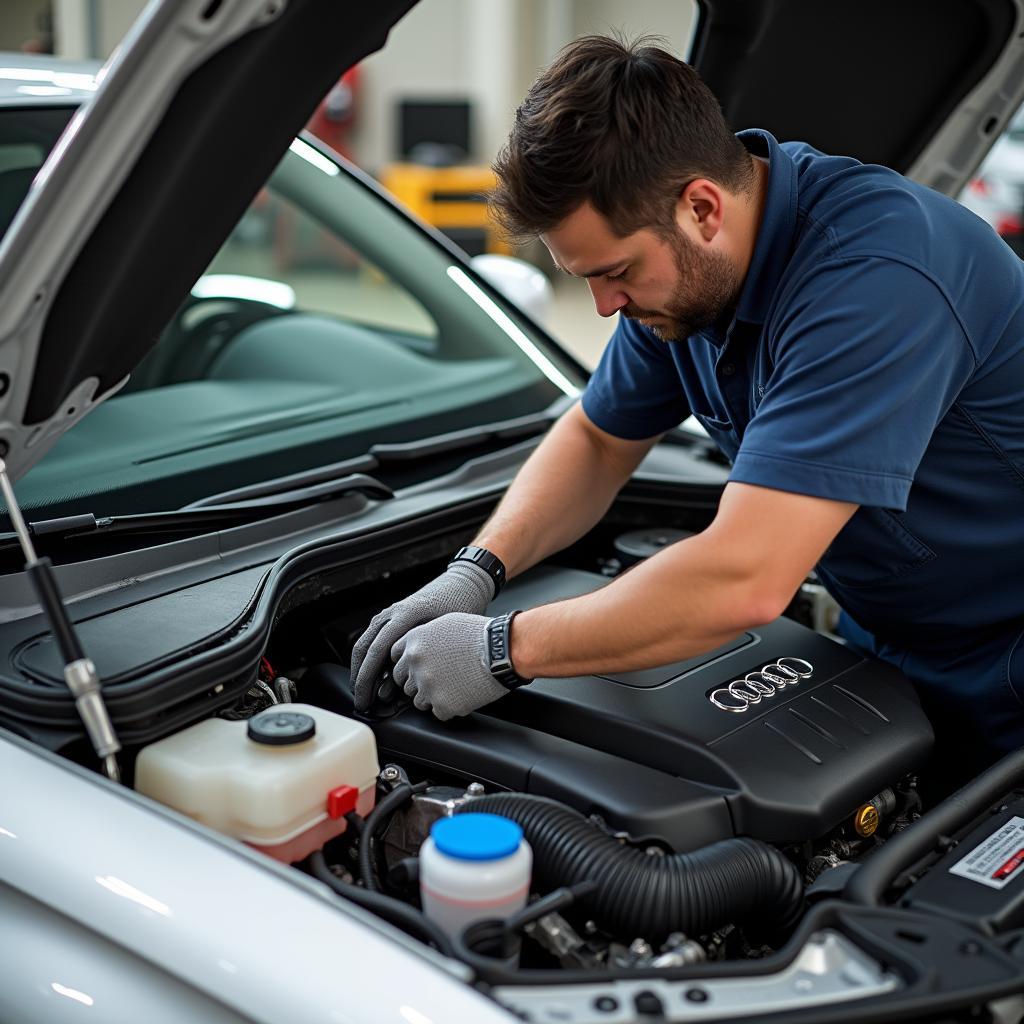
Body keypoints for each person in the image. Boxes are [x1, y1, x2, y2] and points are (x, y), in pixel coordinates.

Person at [353, 35, 1024, 770]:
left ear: (702, 206)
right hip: (892, 638)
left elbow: (744, 578)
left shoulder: (878, 277)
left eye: (615, 272)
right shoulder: (685, 285)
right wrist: (475, 572)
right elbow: (599, 438)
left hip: (1005, 645)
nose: (605, 307)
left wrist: (505, 649)